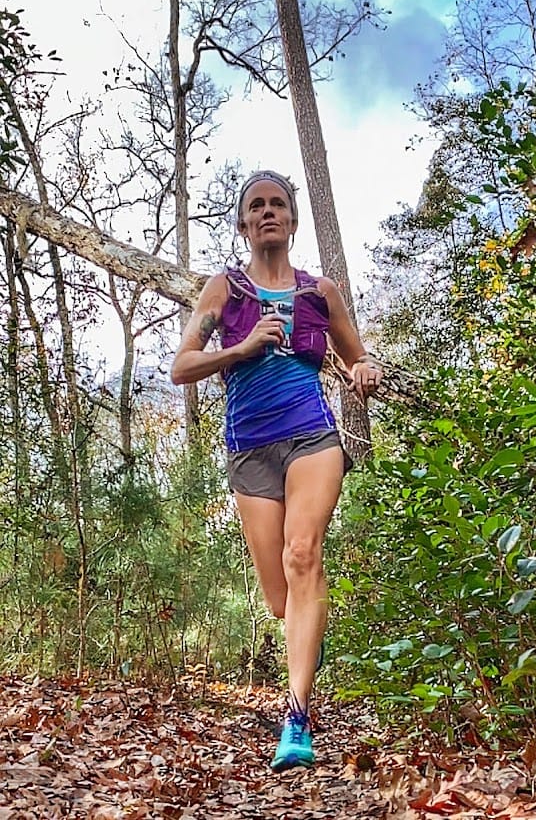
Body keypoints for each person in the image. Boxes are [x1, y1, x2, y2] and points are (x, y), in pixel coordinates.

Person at [170, 169, 382, 772]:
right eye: (256, 206)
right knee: (280, 596)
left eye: (278, 205)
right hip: (249, 450)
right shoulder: (225, 290)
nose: (268, 212)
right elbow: (182, 366)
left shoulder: (321, 294)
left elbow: (355, 353)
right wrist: (242, 348)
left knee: (302, 554)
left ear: (292, 221)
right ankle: (306, 636)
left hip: (313, 438)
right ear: (243, 225)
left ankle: (297, 717)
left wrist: (363, 369)